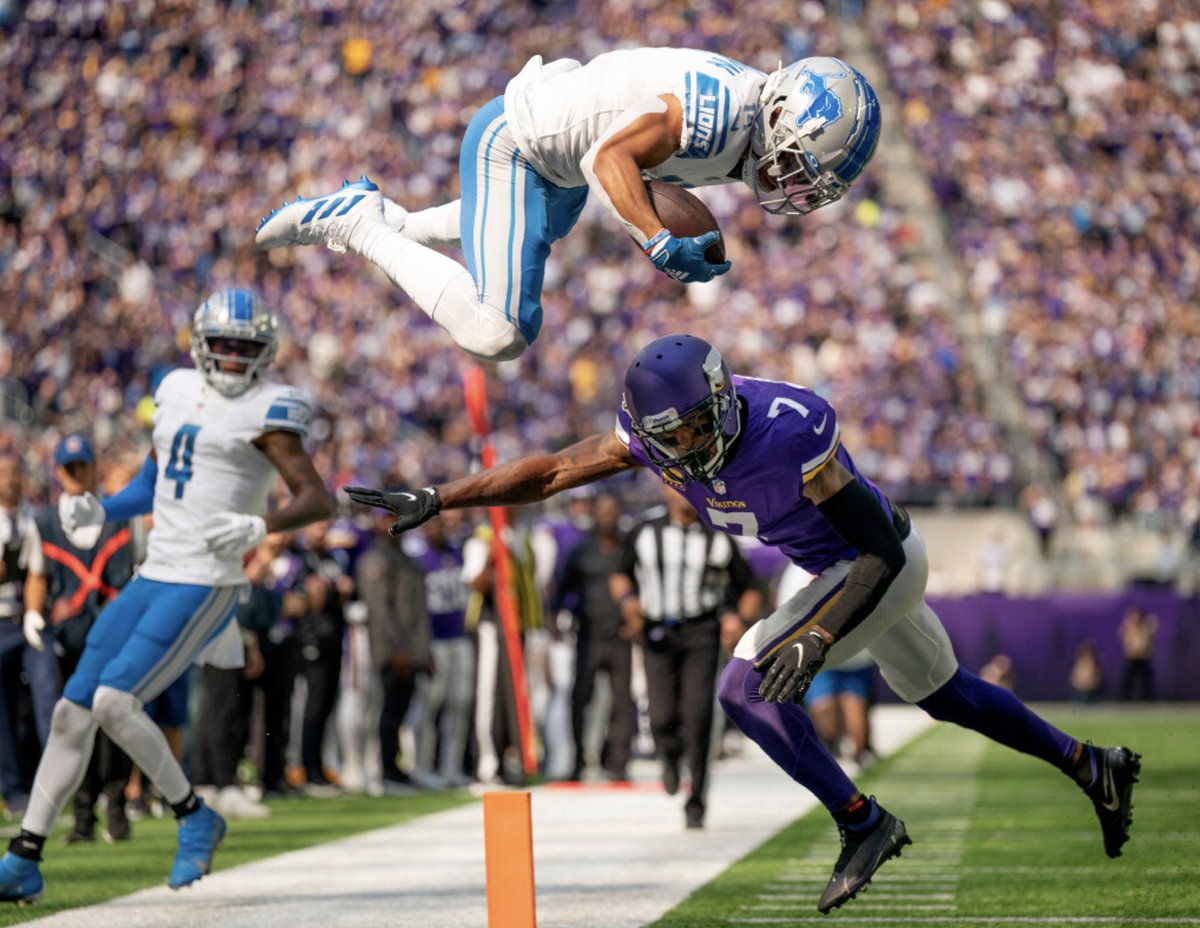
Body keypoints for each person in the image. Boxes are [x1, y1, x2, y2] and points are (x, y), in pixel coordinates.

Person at [345, 333, 1142, 914]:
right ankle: (1088, 764)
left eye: (696, 426)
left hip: (878, 561)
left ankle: (860, 822)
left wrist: (819, 634)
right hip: (827, 565)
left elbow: (873, 552)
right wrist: (442, 496)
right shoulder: (653, 441)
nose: (687, 445)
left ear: (724, 400)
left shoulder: (790, 426)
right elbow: (553, 471)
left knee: (743, 688)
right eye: (672, 436)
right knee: (946, 694)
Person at [0, 288, 332, 903]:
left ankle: (192, 815)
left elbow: (318, 498)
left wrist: (263, 526)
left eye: (246, 349)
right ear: (202, 347)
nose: (234, 359)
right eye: (224, 347)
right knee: (72, 711)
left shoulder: (271, 409)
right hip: (155, 571)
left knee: (112, 703)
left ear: (265, 354)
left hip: (207, 577)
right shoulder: (177, 389)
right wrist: (104, 507)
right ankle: (24, 857)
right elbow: (156, 480)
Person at [256, 53, 880, 361]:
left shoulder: (746, 119)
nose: (794, 180)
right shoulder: (719, 117)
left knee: (526, 227)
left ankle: (387, 218)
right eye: (799, 160)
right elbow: (608, 160)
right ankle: (360, 225)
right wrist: (658, 241)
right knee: (497, 331)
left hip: (557, 153)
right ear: (780, 113)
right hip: (521, 145)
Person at [611, 485, 761, 828]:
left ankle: (696, 801)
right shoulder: (644, 530)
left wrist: (739, 618)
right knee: (661, 716)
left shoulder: (719, 535)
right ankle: (669, 754)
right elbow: (620, 575)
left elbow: (750, 588)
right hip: (657, 631)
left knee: (698, 718)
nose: (685, 494)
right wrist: (627, 602)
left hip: (701, 632)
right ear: (664, 489)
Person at [29, 434, 143, 843]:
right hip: (69, 636)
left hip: (112, 632)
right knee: (74, 724)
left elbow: (135, 570)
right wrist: (32, 614)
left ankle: (115, 807)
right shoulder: (43, 521)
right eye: (70, 468)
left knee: (114, 718)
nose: (78, 475)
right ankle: (82, 816)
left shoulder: (118, 515)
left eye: (83, 466)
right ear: (59, 472)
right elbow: (39, 574)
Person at [551, 492, 634, 784]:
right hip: (588, 636)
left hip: (622, 637)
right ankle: (578, 761)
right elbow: (561, 590)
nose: (607, 517)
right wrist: (555, 621)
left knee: (623, 702)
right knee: (579, 700)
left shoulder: (629, 548)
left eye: (612, 511)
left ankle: (619, 764)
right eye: (603, 511)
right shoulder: (581, 550)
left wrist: (637, 620)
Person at [355, 509, 432, 792]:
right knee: (386, 710)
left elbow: (418, 612)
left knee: (402, 710)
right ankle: (384, 770)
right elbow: (379, 609)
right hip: (390, 650)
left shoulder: (406, 559)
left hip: (411, 649)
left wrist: (423, 650)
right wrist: (396, 648)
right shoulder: (376, 558)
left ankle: (396, 767)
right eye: (387, 518)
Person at [0, 453, 52, 820]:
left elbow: (37, 573)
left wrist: (33, 613)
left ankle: (56, 780)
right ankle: (13, 788)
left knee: (49, 691)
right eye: (3, 474)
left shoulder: (30, 520)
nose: (10, 480)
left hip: (23, 620)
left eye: (15, 472)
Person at [1117, 605, 1158, 701]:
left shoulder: (1145, 627)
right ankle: (1124, 700)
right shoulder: (1129, 627)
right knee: (1128, 680)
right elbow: (1123, 637)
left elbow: (1150, 639)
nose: (1136, 618)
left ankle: (1149, 700)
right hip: (1132, 657)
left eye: (1138, 615)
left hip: (1143, 657)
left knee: (1146, 681)